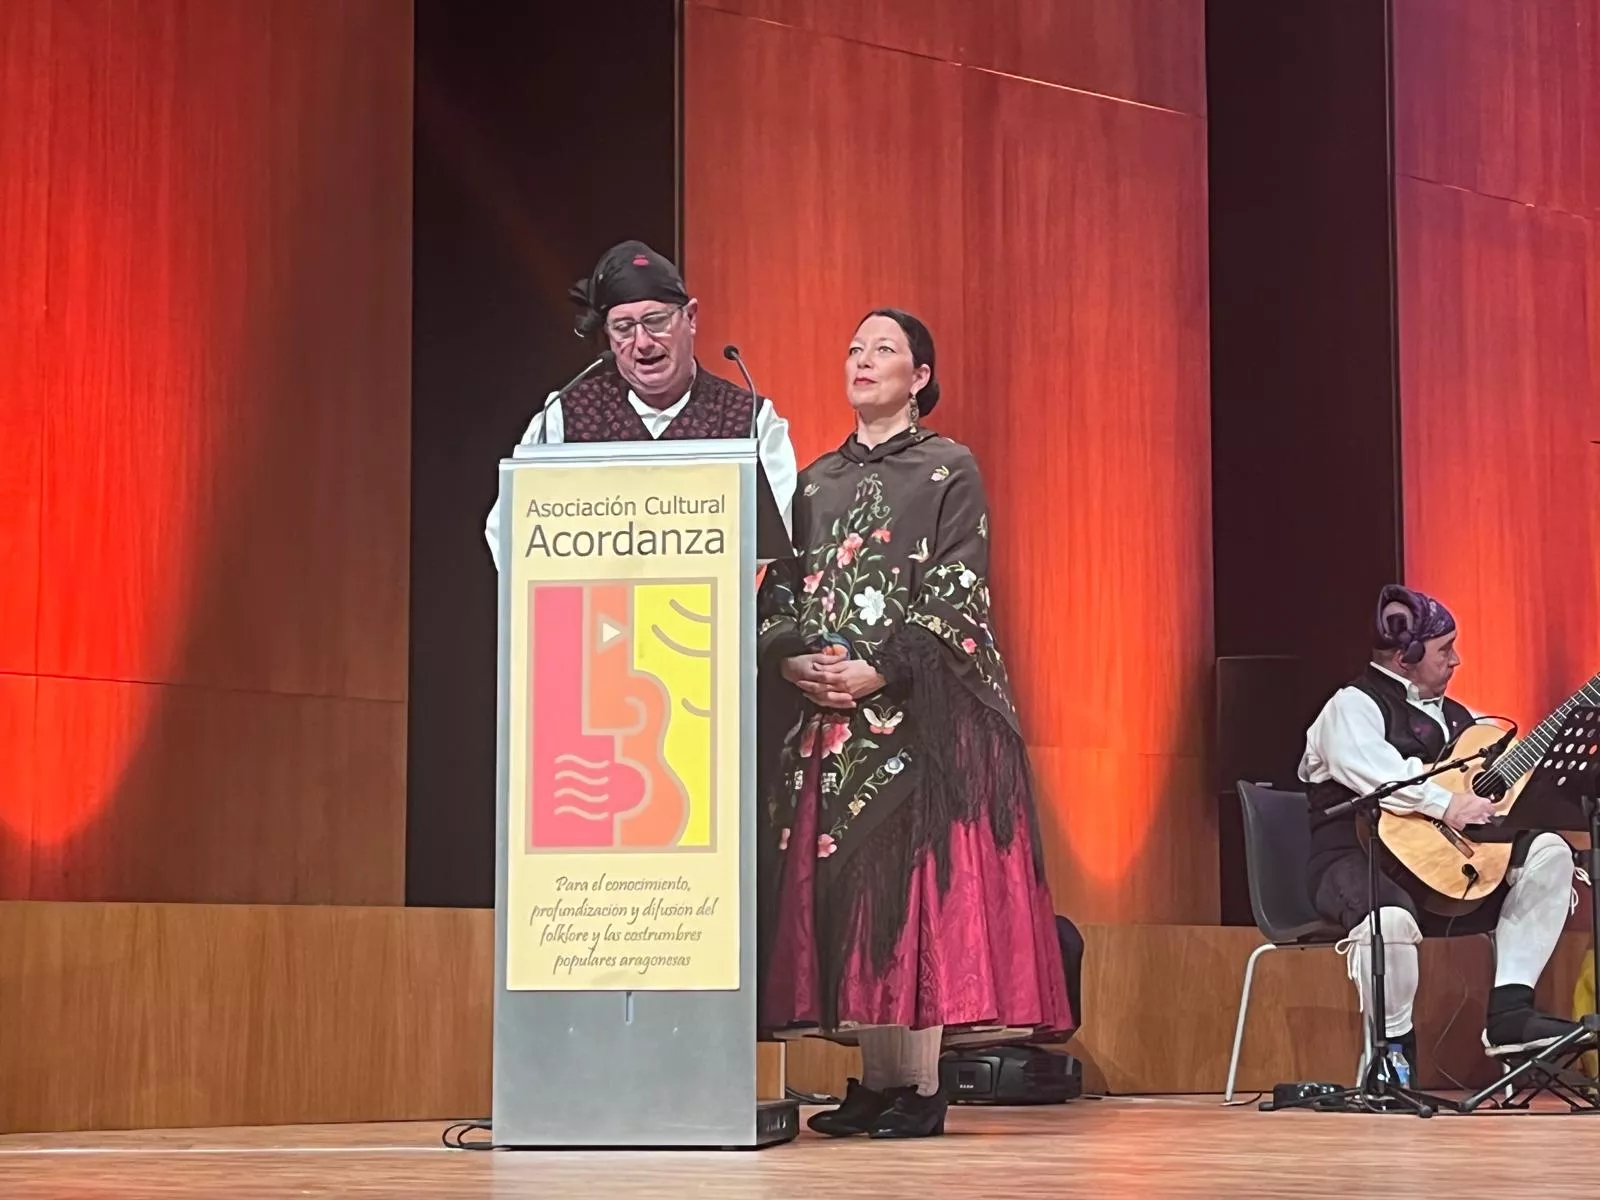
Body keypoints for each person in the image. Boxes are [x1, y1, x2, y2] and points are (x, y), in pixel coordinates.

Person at [755, 309, 1072, 1140]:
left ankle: (920, 1086)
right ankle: (876, 1079)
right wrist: (792, 659)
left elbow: (961, 588)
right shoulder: (814, 481)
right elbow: (781, 585)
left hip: (915, 716)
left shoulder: (948, 468)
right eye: (853, 348)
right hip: (830, 721)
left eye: (882, 349)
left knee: (909, 900)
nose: (862, 360)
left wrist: (882, 667)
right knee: (852, 898)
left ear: (920, 376)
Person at [1300, 585, 1581, 1080]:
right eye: (1445, 649)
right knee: (1388, 920)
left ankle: (1510, 1016)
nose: (1458, 660)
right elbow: (1382, 778)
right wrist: (1448, 803)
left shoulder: (1461, 717)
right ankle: (1391, 1056)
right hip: (1353, 856)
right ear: (1405, 658)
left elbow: (1487, 786)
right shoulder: (1351, 707)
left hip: (1444, 872)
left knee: (1550, 853)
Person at [484, 240, 796, 567]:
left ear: (690, 317)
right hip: (594, 610)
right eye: (623, 328)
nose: (642, 343)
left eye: (656, 321)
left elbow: (768, 544)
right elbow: (510, 535)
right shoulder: (564, 414)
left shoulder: (751, 420)